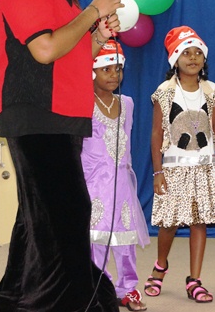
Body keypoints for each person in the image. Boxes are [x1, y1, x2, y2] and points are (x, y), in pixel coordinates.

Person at [0, 0, 124, 312]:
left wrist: (96, 36)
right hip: (35, 115)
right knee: (67, 212)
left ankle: (13, 301)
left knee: (36, 221)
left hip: (64, 116)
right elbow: (45, 49)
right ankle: (71, 302)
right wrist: (92, 13)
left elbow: (69, 53)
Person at [144, 26, 215, 304]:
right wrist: (158, 171)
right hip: (173, 167)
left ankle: (195, 279)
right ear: (175, 59)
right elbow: (157, 133)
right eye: (186, 53)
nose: (193, 58)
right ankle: (160, 266)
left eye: (198, 53)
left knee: (199, 222)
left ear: (204, 59)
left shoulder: (211, 90)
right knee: (169, 224)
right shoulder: (165, 92)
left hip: (204, 167)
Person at [82, 40, 151, 311]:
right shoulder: (84, 101)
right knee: (96, 239)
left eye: (118, 69)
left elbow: (127, 143)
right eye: (106, 69)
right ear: (92, 71)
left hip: (121, 182)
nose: (113, 75)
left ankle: (128, 288)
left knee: (125, 238)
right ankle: (99, 288)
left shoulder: (128, 104)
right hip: (94, 181)